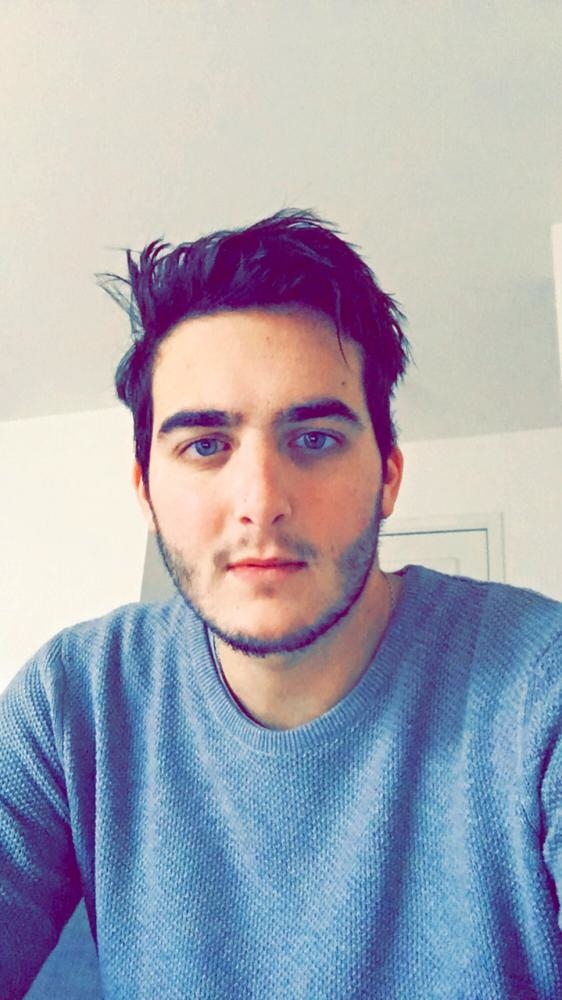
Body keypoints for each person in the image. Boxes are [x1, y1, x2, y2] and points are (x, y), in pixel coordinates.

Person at [1, 209, 561, 1000]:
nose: (261, 502)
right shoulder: (75, 699)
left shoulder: (540, 690)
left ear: (389, 474)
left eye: (316, 438)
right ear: (146, 492)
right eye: (205, 446)